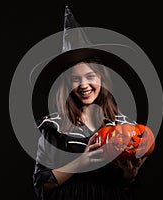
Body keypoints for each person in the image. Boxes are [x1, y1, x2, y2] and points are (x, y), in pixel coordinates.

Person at [33, 58, 149, 200]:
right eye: (75, 79)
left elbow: (129, 190)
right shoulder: (54, 127)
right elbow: (42, 185)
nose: (84, 85)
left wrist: (129, 175)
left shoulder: (125, 127)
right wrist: (81, 162)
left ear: (102, 78)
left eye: (90, 76)